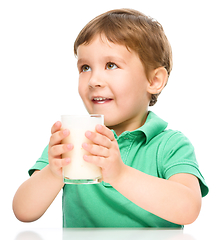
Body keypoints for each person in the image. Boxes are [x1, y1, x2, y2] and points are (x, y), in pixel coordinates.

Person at [13, 8, 208, 228]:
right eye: (85, 67)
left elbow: (188, 209)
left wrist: (120, 174)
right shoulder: (74, 141)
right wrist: (53, 172)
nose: (94, 80)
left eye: (111, 65)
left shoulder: (170, 145)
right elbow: (23, 211)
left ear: (154, 80)